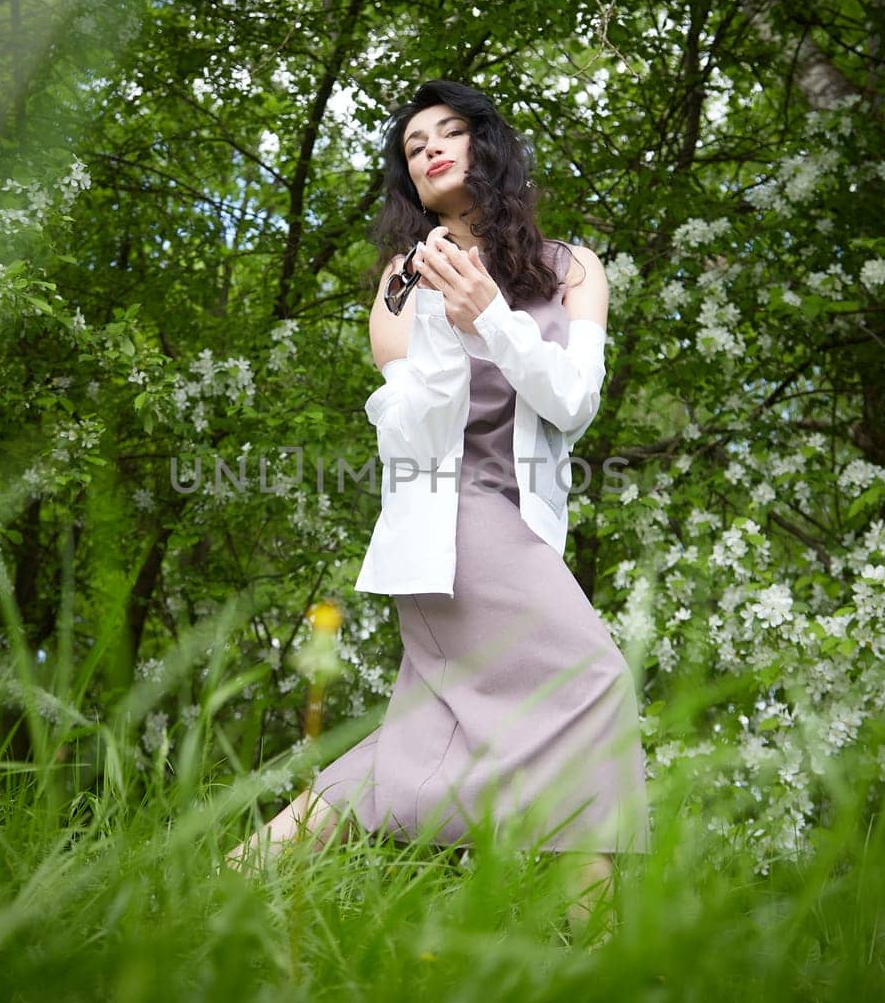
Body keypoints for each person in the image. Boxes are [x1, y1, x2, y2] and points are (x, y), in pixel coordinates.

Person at [226, 79, 650, 938]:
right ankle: (591, 934)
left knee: (416, 746)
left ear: (488, 149)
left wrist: (490, 316)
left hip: (513, 524)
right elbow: (409, 426)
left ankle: (228, 882)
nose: (428, 149)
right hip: (449, 520)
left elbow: (573, 402)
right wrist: (436, 317)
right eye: (413, 145)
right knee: (593, 682)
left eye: (447, 133)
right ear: (408, 181)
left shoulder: (572, 268)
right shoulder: (398, 283)